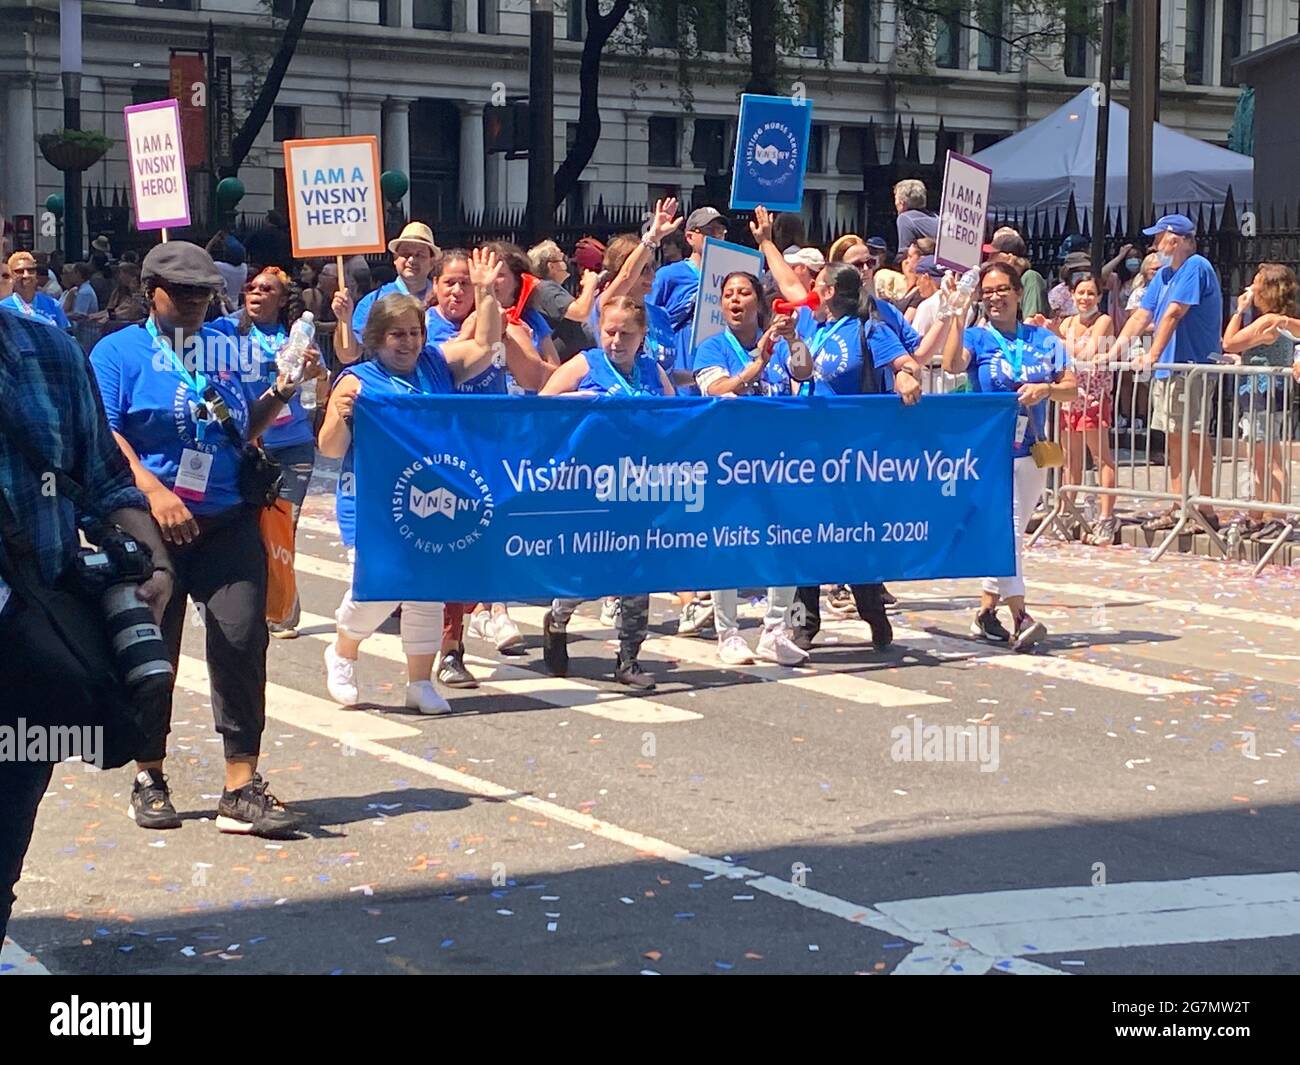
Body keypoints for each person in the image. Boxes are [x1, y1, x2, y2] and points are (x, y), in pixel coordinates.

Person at [91, 241, 318, 837]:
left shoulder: (230, 344)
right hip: (152, 528)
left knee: (242, 642)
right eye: (182, 292)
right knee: (153, 653)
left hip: (227, 518)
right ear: (151, 292)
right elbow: (107, 435)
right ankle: (149, 772)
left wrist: (282, 393)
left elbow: (247, 424)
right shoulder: (119, 352)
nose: (195, 303)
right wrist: (155, 495)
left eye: (204, 292)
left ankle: (241, 786)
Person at [0, 301, 174, 944]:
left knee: (3, 846)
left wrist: (154, 561)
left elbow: (103, 479)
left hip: (25, 659)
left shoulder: (51, 353)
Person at [318, 254, 505, 713]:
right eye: (397, 334)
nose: (408, 343)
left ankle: (419, 683)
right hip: (371, 505)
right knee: (383, 585)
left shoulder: (436, 365)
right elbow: (328, 447)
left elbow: (485, 343)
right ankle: (342, 650)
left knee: (427, 587)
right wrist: (345, 416)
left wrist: (484, 293)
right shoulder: (357, 380)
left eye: (415, 333)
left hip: (430, 499)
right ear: (377, 338)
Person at [538, 296, 674, 690]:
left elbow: (675, 417)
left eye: (626, 334)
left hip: (638, 487)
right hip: (590, 487)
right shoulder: (586, 364)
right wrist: (578, 402)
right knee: (589, 570)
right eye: (609, 331)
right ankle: (558, 618)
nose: (616, 340)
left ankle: (629, 658)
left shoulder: (651, 371)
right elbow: (541, 407)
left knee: (636, 574)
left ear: (642, 335)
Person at [939, 261, 1077, 651]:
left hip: (1032, 449)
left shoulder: (1044, 339)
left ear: (1018, 293)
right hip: (990, 453)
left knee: (1011, 533)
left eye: (1003, 289)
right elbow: (951, 365)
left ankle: (985, 611)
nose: (995, 297)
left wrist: (1045, 389)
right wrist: (957, 311)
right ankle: (1021, 614)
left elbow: (1071, 387)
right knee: (1011, 533)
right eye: (988, 291)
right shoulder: (978, 338)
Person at [215, 266, 353, 636]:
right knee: (249, 529)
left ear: (282, 298)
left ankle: (282, 608)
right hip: (248, 446)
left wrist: (316, 376)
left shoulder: (296, 337)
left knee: (282, 529)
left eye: (267, 289)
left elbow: (321, 396)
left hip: (293, 446)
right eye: (251, 288)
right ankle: (250, 602)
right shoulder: (225, 331)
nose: (257, 293)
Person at [690, 273, 810, 666]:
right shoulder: (711, 348)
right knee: (729, 543)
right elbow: (718, 389)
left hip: (778, 462)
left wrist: (792, 340)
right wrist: (757, 362)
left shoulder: (777, 343)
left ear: (759, 301)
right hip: (729, 465)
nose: (735, 300)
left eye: (744, 293)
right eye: (728, 295)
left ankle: (775, 630)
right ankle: (728, 632)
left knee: (786, 542)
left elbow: (804, 373)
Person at [1116, 214, 1224, 534]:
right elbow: (1140, 317)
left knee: (1193, 437)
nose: (1153, 246)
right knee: (1174, 438)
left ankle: (1204, 509)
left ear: (1174, 240)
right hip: (1170, 369)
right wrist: (1112, 351)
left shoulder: (1195, 266)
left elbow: (1175, 313)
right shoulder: (1164, 275)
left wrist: (1151, 354)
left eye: (1157, 238)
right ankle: (1178, 505)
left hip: (1191, 367)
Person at [1221, 264, 1300, 543]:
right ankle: (1259, 513)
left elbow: (1229, 342)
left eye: (1256, 284)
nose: (1251, 289)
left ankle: (1276, 516)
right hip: (1263, 391)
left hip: (1262, 392)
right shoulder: (1280, 320)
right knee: (1259, 458)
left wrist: (1239, 311)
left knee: (1268, 457)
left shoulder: (1268, 320)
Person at [1054, 273, 1119, 545]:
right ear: (1072, 294)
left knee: (1100, 454)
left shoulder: (1102, 321)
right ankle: (1065, 511)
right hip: (1070, 396)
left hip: (1094, 394)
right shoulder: (1067, 323)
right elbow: (1057, 354)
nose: (1085, 298)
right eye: (1080, 292)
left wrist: (1054, 339)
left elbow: (1087, 353)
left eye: (1090, 293)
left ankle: (1106, 516)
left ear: (1099, 297)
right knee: (1070, 459)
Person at [650, 205, 727, 374]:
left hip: (717, 362)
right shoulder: (668, 275)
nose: (716, 236)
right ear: (690, 237)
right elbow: (647, 318)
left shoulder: (730, 278)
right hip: (680, 362)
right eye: (709, 231)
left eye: (720, 231)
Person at [351, 221, 439, 341]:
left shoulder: (444, 299)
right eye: (406, 254)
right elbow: (351, 353)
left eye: (420, 255)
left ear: (432, 262)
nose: (412, 260)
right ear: (395, 259)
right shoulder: (372, 301)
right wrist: (343, 319)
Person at [528, 239, 600, 360]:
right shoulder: (547, 289)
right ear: (551, 266)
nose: (567, 262)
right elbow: (581, 312)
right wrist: (590, 284)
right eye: (562, 259)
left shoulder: (549, 288)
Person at [986, 227, 1048, 318]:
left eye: (993, 255)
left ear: (1009, 258)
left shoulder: (1030, 278)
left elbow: (1033, 321)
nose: (989, 259)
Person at [2, 251, 71, 329]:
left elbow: (67, 336)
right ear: (10, 276)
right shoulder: (3, 309)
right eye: (19, 271)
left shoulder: (53, 305)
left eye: (30, 270)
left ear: (36, 274)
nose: (26, 275)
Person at [206, 231, 249, 310]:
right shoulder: (244, 268)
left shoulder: (219, 266)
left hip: (222, 306)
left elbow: (205, 256)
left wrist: (213, 240)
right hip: (235, 304)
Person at [243, 209, 295, 273]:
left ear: (267, 220)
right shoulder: (284, 236)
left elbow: (245, 246)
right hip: (280, 269)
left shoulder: (257, 234)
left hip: (260, 268)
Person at [893, 179, 939, 249]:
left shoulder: (905, 218)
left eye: (896, 199)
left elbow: (904, 253)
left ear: (902, 203)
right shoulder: (937, 218)